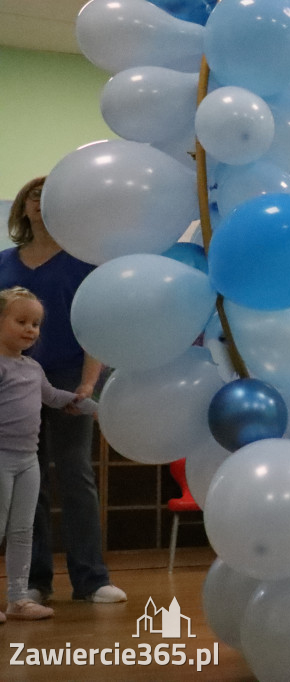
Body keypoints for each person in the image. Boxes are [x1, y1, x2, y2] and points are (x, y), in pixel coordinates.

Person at [0, 177, 126, 604]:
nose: (41, 201)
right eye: (34, 195)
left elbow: (97, 328)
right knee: (27, 483)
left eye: (52, 194)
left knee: (76, 474)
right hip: (15, 383)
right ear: (23, 208)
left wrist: (88, 384)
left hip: (72, 377)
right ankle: (35, 583)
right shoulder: (3, 263)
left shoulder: (83, 262)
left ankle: (91, 579)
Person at [0, 287, 98, 622]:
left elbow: (54, 397)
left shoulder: (32, 368)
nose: (31, 329)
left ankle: (17, 599)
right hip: (1, 458)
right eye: (22, 321)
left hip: (28, 461)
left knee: (22, 530)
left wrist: (91, 405)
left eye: (36, 323)